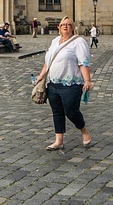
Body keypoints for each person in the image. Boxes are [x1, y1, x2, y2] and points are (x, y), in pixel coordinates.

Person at [33, 17, 93, 151]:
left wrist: (87, 80)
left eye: (68, 25)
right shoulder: (55, 41)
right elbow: (48, 62)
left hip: (71, 83)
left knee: (71, 112)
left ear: (73, 27)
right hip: (53, 83)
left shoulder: (78, 42)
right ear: (59, 27)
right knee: (57, 112)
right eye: (63, 25)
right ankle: (58, 141)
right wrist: (41, 76)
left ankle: (84, 130)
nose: (65, 27)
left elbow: (83, 62)